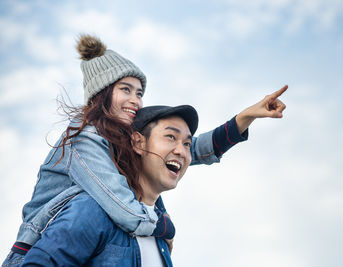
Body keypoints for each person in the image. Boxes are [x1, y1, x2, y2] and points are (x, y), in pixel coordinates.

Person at [2, 34, 287, 266]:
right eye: (125, 90)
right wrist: (164, 227)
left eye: (139, 93)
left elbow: (190, 150)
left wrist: (244, 118)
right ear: (102, 94)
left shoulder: (122, 140)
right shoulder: (83, 140)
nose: (135, 100)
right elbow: (124, 207)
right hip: (34, 248)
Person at [21, 105, 200, 266]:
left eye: (187, 144)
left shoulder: (161, 235)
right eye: (171, 136)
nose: (181, 151)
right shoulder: (93, 209)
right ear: (138, 142)